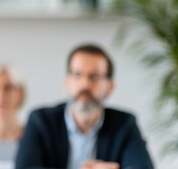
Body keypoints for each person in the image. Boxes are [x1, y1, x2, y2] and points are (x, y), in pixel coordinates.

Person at [16, 44, 153, 169]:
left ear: (109, 86)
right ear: (67, 82)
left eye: (94, 77)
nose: (85, 84)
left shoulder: (124, 124)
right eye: (77, 75)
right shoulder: (40, 121)